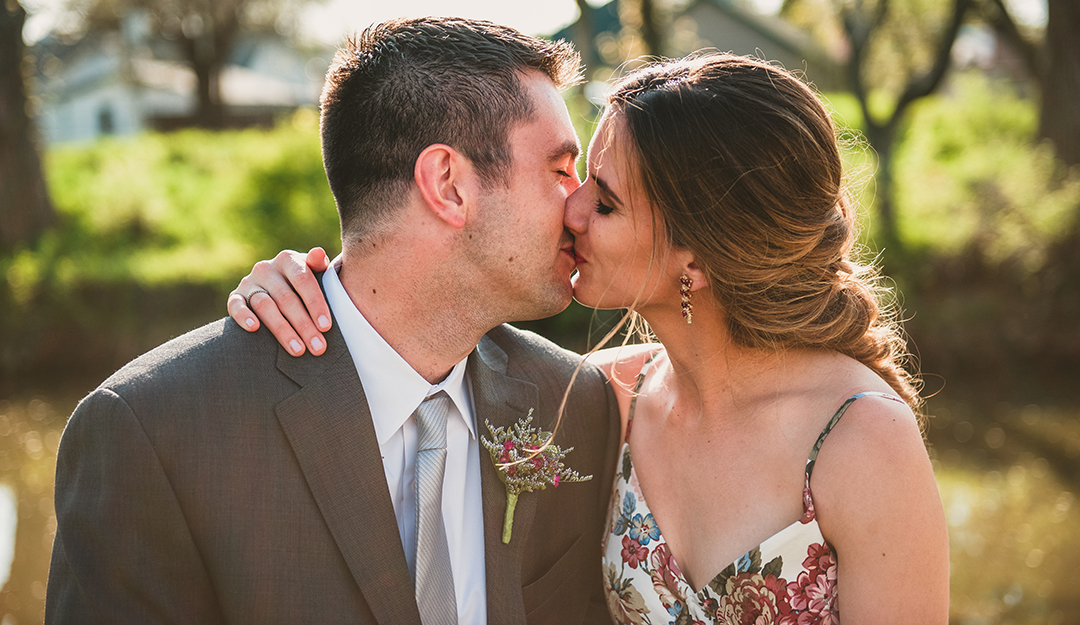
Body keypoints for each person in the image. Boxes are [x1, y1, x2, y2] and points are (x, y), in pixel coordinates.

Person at [233, 53, 950, 623]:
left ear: (696, 256)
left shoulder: (860, 440)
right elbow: (415, 349)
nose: (570, 208)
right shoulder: (597, 398)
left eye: (603, 200)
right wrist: (312, 287)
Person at [46, 17, 621, 625]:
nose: (582, 203)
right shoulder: (153, 434)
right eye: (560, 170)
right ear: (448, 184)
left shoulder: (575, 402)